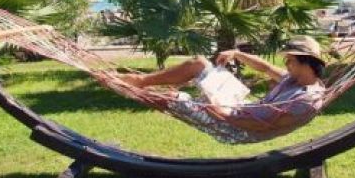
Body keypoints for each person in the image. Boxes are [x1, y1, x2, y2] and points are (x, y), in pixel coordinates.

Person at [122, 36, 327, 141]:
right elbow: (265, 67)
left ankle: (128, 90)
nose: (286, 64)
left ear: (306, 63)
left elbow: (264, 127)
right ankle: (140, 81)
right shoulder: (294, 79)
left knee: (173, 98)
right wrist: (236, 54)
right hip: (238, 106)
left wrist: (221, 113)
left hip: (236, 128)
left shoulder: (306, 100)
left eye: (290, 60)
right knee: (198, 63)